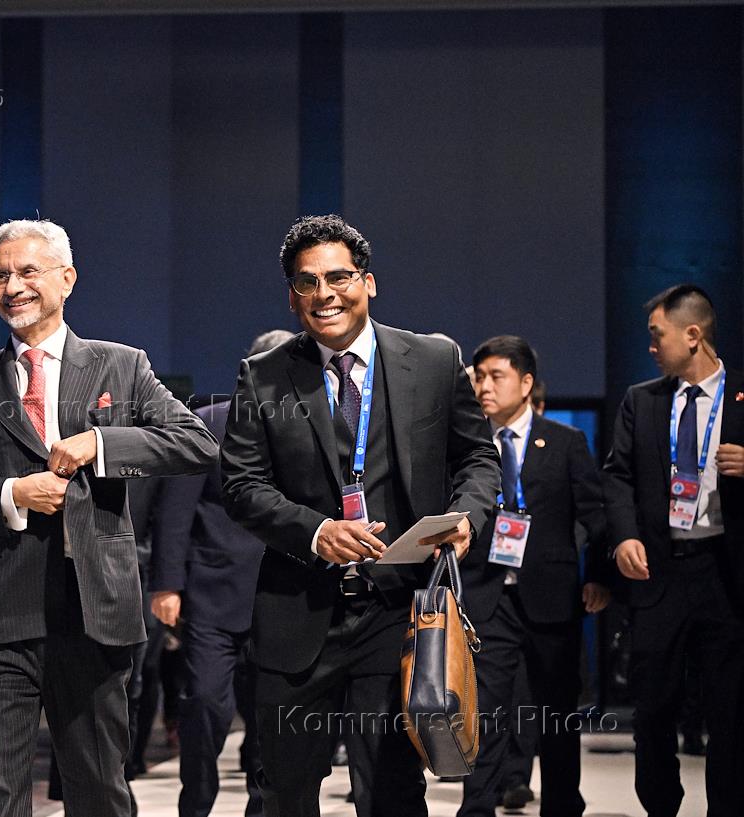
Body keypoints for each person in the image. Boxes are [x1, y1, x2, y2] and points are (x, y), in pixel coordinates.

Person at [0, 219, 218, 817]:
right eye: (0, 276)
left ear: (67, 279)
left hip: (94, 611)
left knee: (98, 791)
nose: (13, 287)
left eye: (28, 271)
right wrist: (12, 494)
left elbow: (196, 443)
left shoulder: (120, 366)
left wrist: (99, 444)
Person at [220, 215, 500, 817]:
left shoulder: (434, 360)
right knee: (284, 795)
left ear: (367, 282)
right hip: (298, 614)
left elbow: (477, 457)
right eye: (307, 282)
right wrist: (317, 532)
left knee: (393, 794)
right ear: (292, 296)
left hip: (399, 612)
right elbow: (241, 486)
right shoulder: (262, 376)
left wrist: (467, 516)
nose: (324, 294)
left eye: (339, 277)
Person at [602, 284, 744, 817]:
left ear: (693, 335)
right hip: (660, 574)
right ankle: (660, 807)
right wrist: (625, 535)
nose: (650, 347)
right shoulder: (643, 400)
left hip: (726, 575)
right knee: (654, 709)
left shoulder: (741, 395)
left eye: (657, 335)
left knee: (730, 712)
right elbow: (616, 475)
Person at [457, 335, 611, 817]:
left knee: (557, 713)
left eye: (496, 376)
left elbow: (594, 513)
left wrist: (599, 576)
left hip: (552, 596)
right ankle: (476, 808)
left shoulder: (565, 441)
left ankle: (563, 805)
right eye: (479, 377)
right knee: (485, 714)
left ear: (525, 384)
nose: (484, 386)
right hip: (488, 596)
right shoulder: (466, 443)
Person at [150, 329, 294, 817]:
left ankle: (261, 808)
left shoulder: (308, 427)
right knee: (206, 705)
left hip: (281, 596)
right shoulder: (208, 425)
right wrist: (167, 584)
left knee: (270, 716)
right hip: (212, 593)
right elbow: (175, 512)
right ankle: (195, 804)